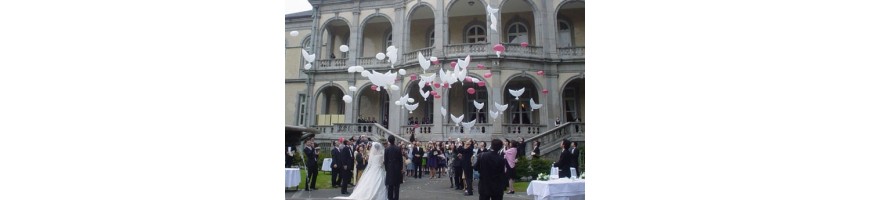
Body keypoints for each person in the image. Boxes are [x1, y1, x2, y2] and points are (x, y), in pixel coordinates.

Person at [384, 136, 404, 200]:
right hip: (397, 167)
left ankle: (390, 198)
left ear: (389, 141)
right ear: (394, 140)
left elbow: (385, 160)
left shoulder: (387, 149)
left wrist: (386, 168)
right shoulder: (398, 148)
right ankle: (396, 198)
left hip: (390, 167)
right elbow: (400, 160)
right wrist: (401, 168)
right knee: (397, 185)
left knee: (390, 185)